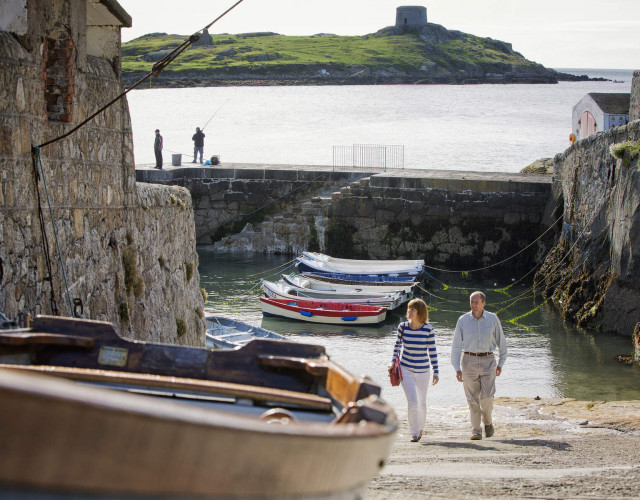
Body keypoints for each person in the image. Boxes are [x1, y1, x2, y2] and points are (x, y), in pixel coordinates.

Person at [451, 291, 507, 440]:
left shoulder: (493, 319)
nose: (473, 305)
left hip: (488, 360)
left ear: (484, 303)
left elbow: (502, 342)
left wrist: (501, 362)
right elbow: (456, 345)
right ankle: (476, 430)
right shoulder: (462, 320)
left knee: (487, 397)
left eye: (476, 302)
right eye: (471, 302)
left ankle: (488, 422)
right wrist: (457, 367)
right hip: (468, 360)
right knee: (472, 399)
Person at [388, 298, 439, 442]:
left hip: (423, 370)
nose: (409, 312)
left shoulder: (428, 329)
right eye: (409, 309)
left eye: (412, 309)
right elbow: (397, 347)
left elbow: (432, 351)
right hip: (406, 369)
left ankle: (421, 428)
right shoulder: (402, 327)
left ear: (419, 312)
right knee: (412, 402)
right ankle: (414, 432)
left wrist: (436, 371)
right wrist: (393, 363)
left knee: (422, 402)